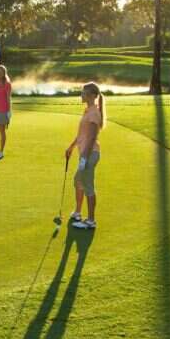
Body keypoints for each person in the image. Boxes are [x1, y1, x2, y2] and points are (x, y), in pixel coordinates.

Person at [64, 82, 105, 230]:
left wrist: (84, 158)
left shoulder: (94, 113)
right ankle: (78, 212)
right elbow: (82, 134)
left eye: (84, 93)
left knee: (88, 186)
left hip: (90, 154)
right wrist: (71, 147)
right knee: (78, 181)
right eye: (82, 93)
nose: (82, 95)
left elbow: (93, 137)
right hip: (85, 153)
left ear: (92, 96)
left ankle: (91, 220)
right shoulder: (88, 110)